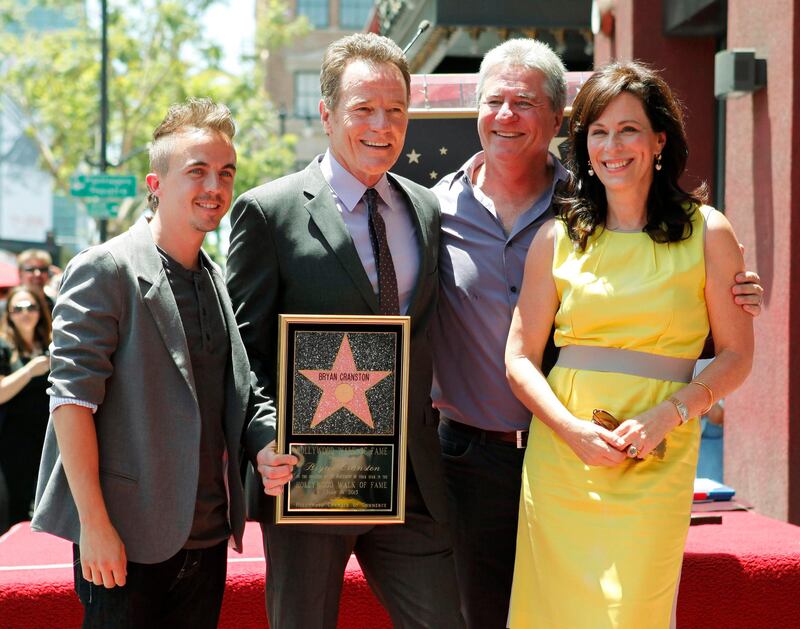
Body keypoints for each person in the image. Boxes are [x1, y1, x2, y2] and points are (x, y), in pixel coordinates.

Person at [430, 38, 763, 629]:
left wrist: (673, 414)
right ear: (582, 142)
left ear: (660, 141)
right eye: (600, 133)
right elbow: (520, 357)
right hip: (561, 460)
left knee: (631, 612)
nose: (613, 147)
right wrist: (570, 431)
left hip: (659, 456)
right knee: (547, 614)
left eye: (629, 130)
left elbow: (736, 356)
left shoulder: (708, 231)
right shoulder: (558, 236)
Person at [226, 32, 463, 629]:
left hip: (409, 477)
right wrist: (264, 436)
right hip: (310, 474)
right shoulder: (269, 211)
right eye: (363, 109)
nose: (381, 124)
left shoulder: (425, 208)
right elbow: (244, 350)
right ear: (327, 113)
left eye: (396, 110)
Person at [31, 98, 251, 629]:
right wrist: (95, 526)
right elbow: (71, 403)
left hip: (208, 537)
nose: (214, 187)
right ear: (155, 183)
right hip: (123, 541)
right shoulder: (104, 268)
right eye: (196, 171)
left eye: (225, 173)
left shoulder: (215, 278)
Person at [0, 286, 51, 529]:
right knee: (17, 509)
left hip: (48, 437)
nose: (25, 313)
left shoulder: (50, 344)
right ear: (9, 314)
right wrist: (30, 370)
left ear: (40, 311)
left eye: (30, 307)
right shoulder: (3, 346)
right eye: (17, 308)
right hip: (13, 442)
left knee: (45, 504)